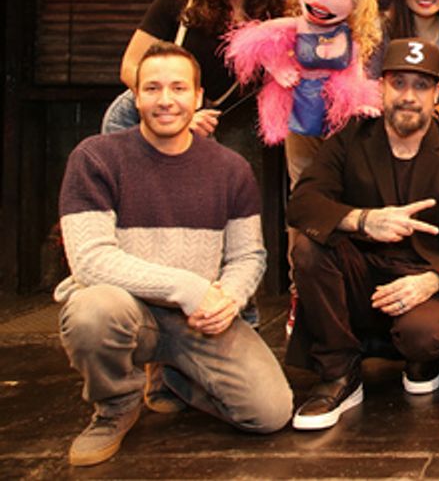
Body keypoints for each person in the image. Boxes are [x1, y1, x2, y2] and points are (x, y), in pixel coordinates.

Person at [57, 42, 292, 467]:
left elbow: (248, 255)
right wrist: (188, 287)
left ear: (198, 97)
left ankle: (176, 375)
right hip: (130, 311)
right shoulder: (96, 158)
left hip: (198, 318)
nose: (166, 100)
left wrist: (230, 300)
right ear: (136, 97)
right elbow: (90, 260)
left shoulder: (231, 169)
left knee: (270, 413)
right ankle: (116, 406)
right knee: (91, 310)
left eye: (179, 88)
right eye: (152, 89)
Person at [286, 38, 439, 429]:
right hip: (360, 274)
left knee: (423, 336)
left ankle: (421, 356)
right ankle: (340, 373)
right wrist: (362, 220)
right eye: (398, 84)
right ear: (381, 87)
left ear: (437, 93)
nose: (408, 97)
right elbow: (303, 203)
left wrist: (432, 281)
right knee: (309, 245)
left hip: (421, 277)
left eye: (420, 86)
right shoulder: (351, 138)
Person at [108, 0, 290, 141]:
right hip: (137, 120)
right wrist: (180, 113)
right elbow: (130, 66)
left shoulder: (266, 27)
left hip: (198, 133)